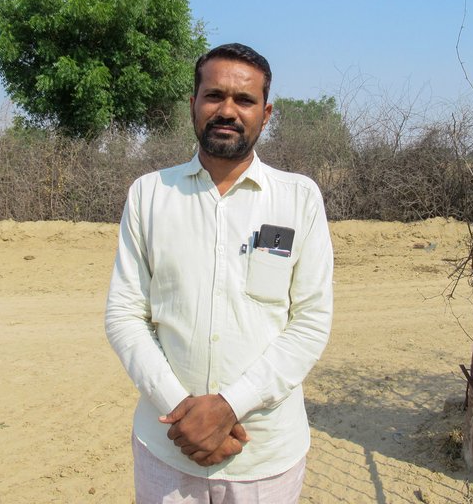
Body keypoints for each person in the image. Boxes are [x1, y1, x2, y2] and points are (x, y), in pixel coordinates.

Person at [105, 43, 333, 503]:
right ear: (193, 104)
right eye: (213, 96)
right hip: (168, 448)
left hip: (265, 455)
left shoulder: (299, 199)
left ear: (266, 114)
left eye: (244, 100)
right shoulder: (150, 195)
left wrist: (230, 406)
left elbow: (310, 323)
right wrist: (182, 412)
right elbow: (125, 315)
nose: (227, 111)